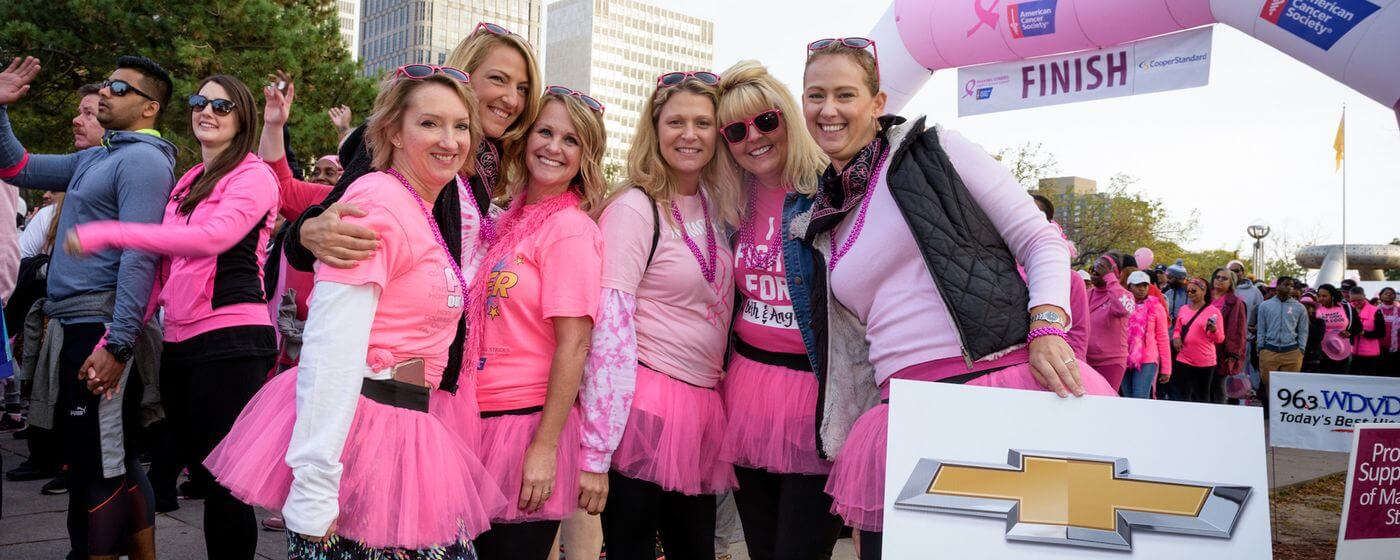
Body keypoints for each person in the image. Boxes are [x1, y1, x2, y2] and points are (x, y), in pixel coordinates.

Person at [794, 38, 1113, 559]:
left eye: (845, 94)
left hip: (997, 386)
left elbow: (1041, 239)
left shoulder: (937, 150)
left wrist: (1049, 326)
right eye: (815, 96)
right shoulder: (822, 215)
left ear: (877, 103)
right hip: (903, 410)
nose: (828, 110)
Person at [204, 67, 506, 558]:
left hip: (403, 430)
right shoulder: (378, 202)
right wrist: (315, 488)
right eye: (430, 123)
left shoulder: (421, 204)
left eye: (460, 126)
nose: (449, 140)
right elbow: (330, 347)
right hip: (365, 438)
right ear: (392, 132)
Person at [67, 74, 279, 559]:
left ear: (242, 118)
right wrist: (114, 341)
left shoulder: (253, 175)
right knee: (198, 475)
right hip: (182, 343)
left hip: (232, 341)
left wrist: (111, 233)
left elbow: (210, 239)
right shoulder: (188, 180)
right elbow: (162, 273)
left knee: (224, 485)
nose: (206, 111)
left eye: (222, 106)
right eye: (199, 101)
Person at [0, 55, 175, 559]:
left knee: (96, 467)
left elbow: (140, 253)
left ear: (149, 107)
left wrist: (117, 343)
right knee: (107, 460)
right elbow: (18, 166)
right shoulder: (100, 156)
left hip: (100, 328)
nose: (106, 93)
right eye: (106, 84)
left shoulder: (142, 160)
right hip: (77, 324)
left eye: (120, 88)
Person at [583, 69, 741, 560]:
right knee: (633, 548)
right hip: (645, 408)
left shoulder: (718, 203)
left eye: (702, 122)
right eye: (676, 122)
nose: (689, 135)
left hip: (701, 406)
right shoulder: (634, 207)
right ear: (655, 130)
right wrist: (596, 447)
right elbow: (607, 324)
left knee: (695, 549)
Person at [709, 60, 842, 560]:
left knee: (801, 550)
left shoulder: (830, 190)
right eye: (737, 130)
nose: (754, 138)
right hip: (748, 390)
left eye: (766, 121)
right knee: (763, 548)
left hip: (818, 397)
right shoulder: (730, 200)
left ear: (787, 117)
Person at [466, 88, 606, 559]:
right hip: (476, 417)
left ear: (586, 157)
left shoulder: (570, 230)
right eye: (545, 131)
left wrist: (544, 449)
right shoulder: (509, 219)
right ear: (526, 140)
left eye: (571, 140)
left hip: (524, 427)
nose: (553, 146)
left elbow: (575, 346)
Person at [1252, 276, 1307, 403]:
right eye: (1286, 284)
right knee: (1269, 385)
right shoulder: (1265, 306)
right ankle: (1271, 413)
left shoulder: (1299, 307)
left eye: (1291, 285)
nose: (1289, 288)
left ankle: (1285, 415)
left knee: (1289, 386)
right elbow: (1261, 329)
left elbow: (1303, 331)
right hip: (1269, 350)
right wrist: (1261, 348)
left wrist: (1301, 350)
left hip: (1292, 352)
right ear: (1277, 286)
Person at [1170, 278, 1225, 403]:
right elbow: (1177, 329)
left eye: (1193, 291)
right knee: (1184, 394)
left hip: (1205, 361)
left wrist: (1214, 330)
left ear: (1204, 290)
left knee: (1202, 396)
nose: (1190, 294)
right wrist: (1176, 337)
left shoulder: (1213, 311)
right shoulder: (1184, 309)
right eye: (1187, 291)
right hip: (1183, 357)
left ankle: (1202, 421)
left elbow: (1220, 339)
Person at [1087, 254, 1133, 390]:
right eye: (1094, 267)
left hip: (1111, 362)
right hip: (1085, 360)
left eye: (1101, 268)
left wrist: (1110, 279)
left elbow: (1123, 308)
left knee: (1104, 402)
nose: (1096, 271)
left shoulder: (1125, 295)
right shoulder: (1087, 294)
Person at [1121, 271, 1170, 399]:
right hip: (1123, 356)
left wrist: (1166, 368)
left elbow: (1163, 338)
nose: (1142, 289)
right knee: (1127, 397)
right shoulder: (1122, 306)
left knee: (1140, 398)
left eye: (1145, 285)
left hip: (1147, 360)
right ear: (1129, 286)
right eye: (1137, 285)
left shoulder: (1157, 307)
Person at [1208, 267, 1248, 403]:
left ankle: (1219, 417)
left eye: (1224, 278)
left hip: (1221, 351)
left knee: (1219, 387)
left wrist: (1233, 354)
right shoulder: (1204, 297)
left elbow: (1238, 331)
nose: (1219, 280)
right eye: (1217, 277)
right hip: (1201, 348)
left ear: (1231, 283)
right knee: (1202, 387)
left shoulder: (1235, 303)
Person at [1314, 284, 1358, 374]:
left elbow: (1358, 326)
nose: (1321, 299)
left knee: (1341, 376)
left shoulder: (1346, 307)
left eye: (1324, 296)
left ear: (1332, 296)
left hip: (1341, 349)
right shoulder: (1316, 308)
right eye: (1319, 296)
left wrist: (1349, 332)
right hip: (1322, 351)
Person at [1348, 286, 1386, 375]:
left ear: (1364, 296)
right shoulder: (1348, 309)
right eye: (1353, 300)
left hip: (1370, 353)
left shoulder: (1375, 311)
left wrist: (1364, 333)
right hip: (1350, 352)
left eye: (1359, 300)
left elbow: (1381, 333)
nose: (1356, 303)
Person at [1163, 260, 1190, 334]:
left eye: (1170, 277)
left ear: (1179, 278)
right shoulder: (1167, 294)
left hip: (1187, 336)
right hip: (1169, 336)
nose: (1167, 280)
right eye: (1167, 277)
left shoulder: (1192, 294)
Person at [1378, 287, 1400, 376]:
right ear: (1381, 296)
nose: (1389, 295)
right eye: (1386, 293)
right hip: (1379, 347)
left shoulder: (1399, 310)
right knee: (1381, 372)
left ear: (1395, 296)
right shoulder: (1375, 310)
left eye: (1391, 293)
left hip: (1397, 347)